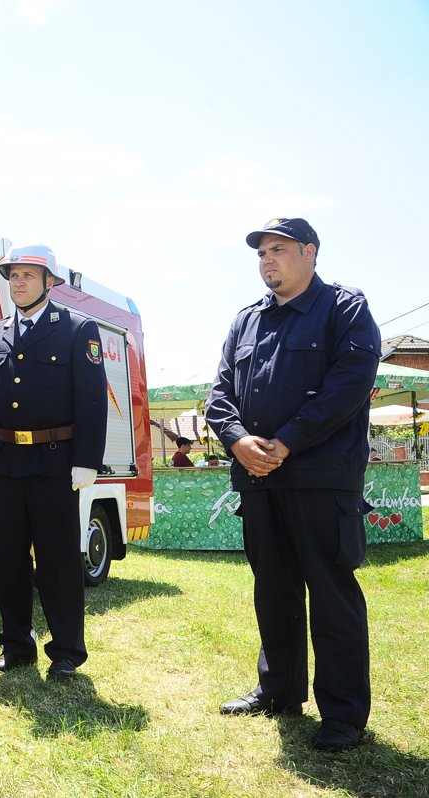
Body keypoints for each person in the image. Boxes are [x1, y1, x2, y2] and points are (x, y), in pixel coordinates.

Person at [206, 217, 380, 752]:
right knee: (273, 591)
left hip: (321, 480)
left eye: (278, 250)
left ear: (310, 252)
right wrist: (238, 441)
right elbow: (219, 395)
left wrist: (286, 441)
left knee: (331, 595)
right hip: (259, 481)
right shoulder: (246, 321)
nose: (267, 261)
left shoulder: (344, 309)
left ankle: (344, 714)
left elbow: (348, 386)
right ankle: (278, 690)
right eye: (261, 253)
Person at [0, 244, 108, 681]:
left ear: (49, 282)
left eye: (29, 275)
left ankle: (66, 651)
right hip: (7, 461)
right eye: (13, 275)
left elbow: (91, 400)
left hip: (55, 462)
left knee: (58, 561)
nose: (19, 282)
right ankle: (16, 646)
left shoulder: (76, 328)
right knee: (8, 561)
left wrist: (87, 460)